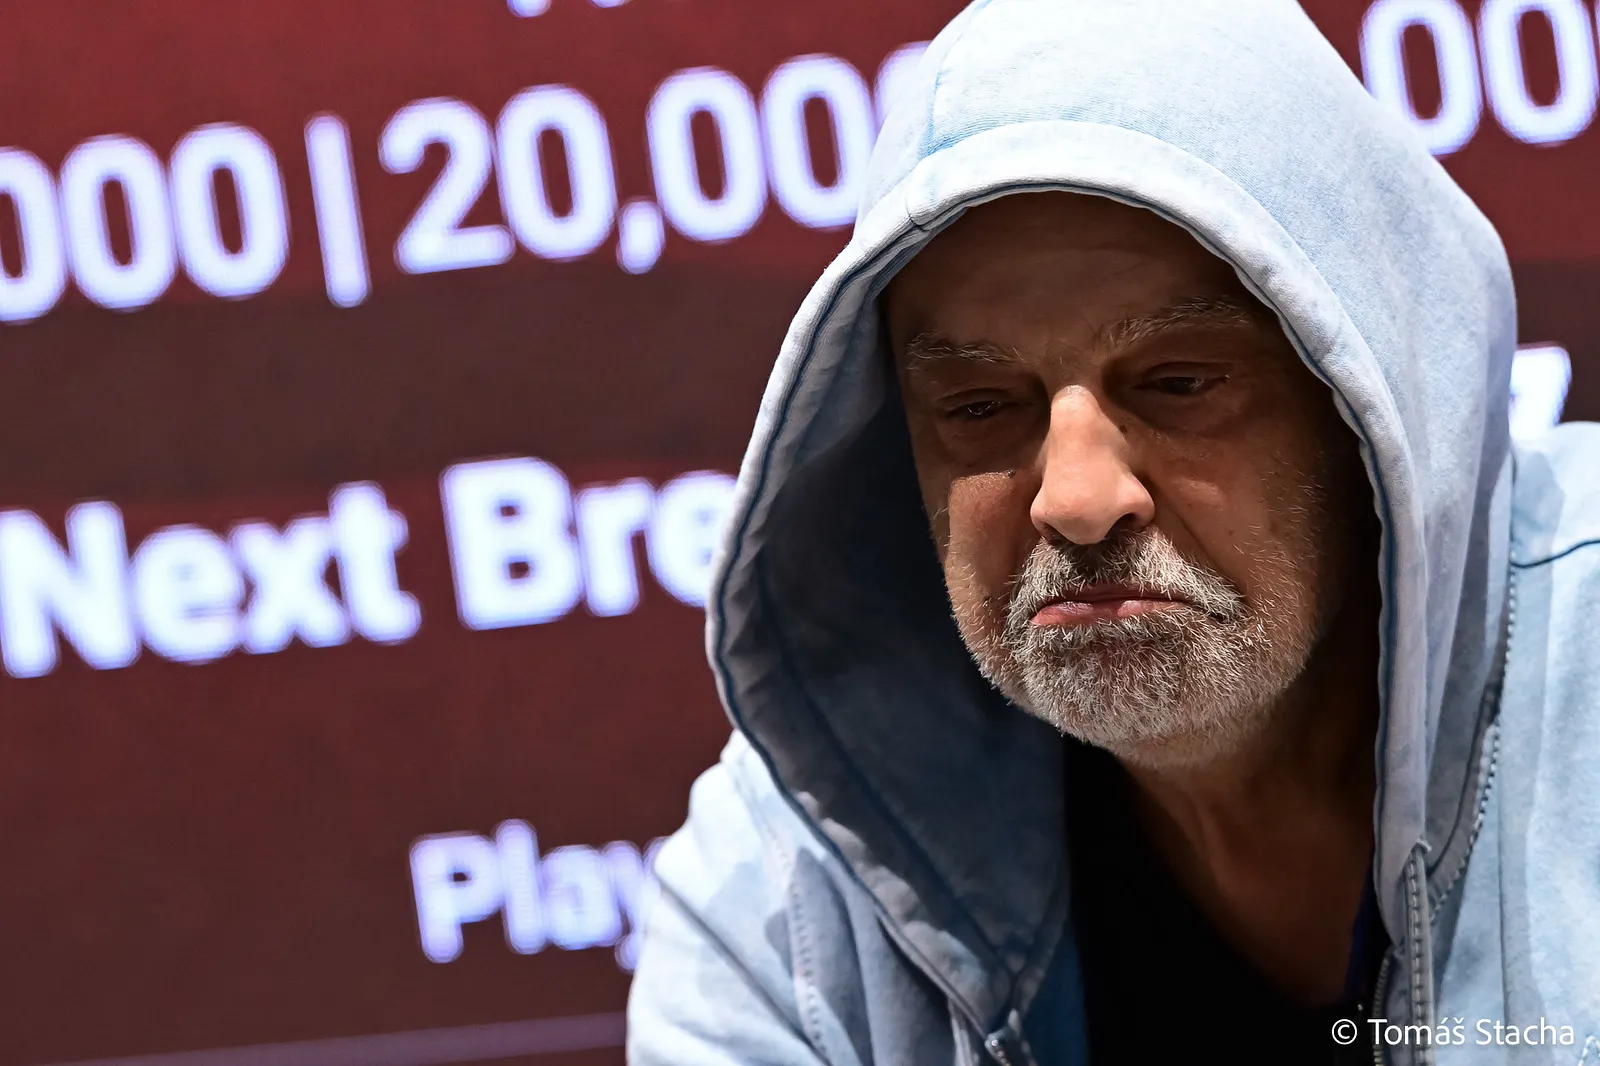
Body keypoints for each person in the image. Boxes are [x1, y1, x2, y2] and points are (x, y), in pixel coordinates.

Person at [627, 1, 1600, 1063]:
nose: (1077, 499)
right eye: (978, 406)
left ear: (1365, 400)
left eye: (1180, 382)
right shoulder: (786, 905)